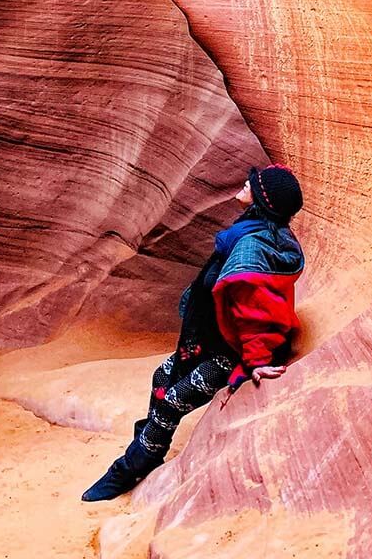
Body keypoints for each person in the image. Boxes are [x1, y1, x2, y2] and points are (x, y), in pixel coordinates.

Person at [81, 162, 304, 502]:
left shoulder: (252, 247)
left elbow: (254, 313)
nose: (245, 184)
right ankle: (148, 444)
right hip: (211, 339)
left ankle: (131, 467)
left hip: (231, 352)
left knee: (171, 403)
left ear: (262, 200)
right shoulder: (254, 231)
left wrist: (255, 361)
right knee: (162, 376)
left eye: (253, 185)